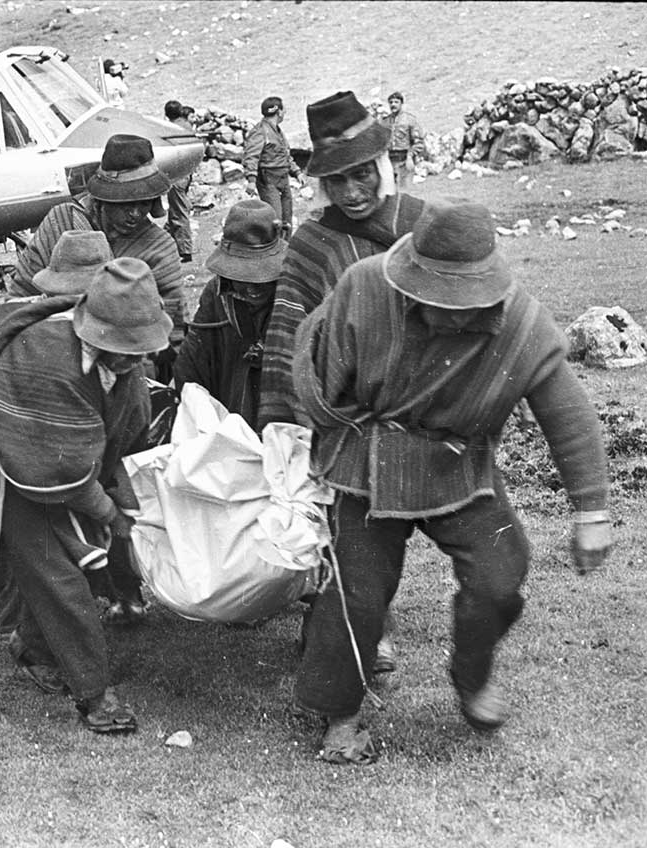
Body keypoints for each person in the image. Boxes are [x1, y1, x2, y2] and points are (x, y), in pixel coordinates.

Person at [290, 200, 613, 764]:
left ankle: (472, 675)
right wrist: (316, 463)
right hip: (369, 459)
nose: (452, 316)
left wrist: (592, 511)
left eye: (465, 305)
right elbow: (319, 379)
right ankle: (340, 712)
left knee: (499, 574)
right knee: (356, 592)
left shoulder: (520, 320)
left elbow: (569, 414)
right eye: (436, 301)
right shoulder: (364, 287)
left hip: (458, 464)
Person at [0, 257, 171, 733]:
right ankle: (94, 694)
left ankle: (33, 649)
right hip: (18, 470)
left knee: (71, 566)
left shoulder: (124, 367)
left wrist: (130, 496)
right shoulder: (46, 361)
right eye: (124, 350)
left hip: (69, 468)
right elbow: (62, 470)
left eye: (139, 350)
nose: (134, 360)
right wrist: (112, 513)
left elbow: (125, 436)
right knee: (61, 578)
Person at [258, 90, 427, 673]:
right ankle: (355, 635)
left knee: (389, 524)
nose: (353, 192)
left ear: (383, 165)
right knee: (348, 526)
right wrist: (284, 417)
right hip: (339, 411)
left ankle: (354, 625)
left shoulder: (420, 226)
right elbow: (288, 327)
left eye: (362, 175)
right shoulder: (313, 243)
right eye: (338, 181)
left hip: (411, 407)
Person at [6, 134, 186, 371]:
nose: (135, 214)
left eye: (143, 203)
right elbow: (20, 297)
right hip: (50, 354)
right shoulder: (62, 222)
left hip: (126, 363)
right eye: (125, 203)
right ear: (103, 198)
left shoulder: (159, 247)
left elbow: (172, 328)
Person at [173, 199, 285, 430]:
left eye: (262, 277)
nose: (253, 288)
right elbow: (191, 362)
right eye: (245, 277)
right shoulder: (216, 294)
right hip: (231, 410)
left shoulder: (293, 293)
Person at [242, 96, 301, 237]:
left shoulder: (278, 132)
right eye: (283, 109)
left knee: (287, 219)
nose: (285, 112)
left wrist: (297, 172)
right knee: (275, 220)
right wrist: (251, 180)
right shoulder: (260, 131)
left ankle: (285, 246)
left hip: (283, 180)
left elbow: (285, 155)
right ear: (278, 112)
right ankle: (274, 247)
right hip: (268, 181)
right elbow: (251, 156)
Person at [162, 100, 194, 262]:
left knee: (179, 212)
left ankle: (185, 250)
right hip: (187, 172)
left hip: (177, 175)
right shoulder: (187, 125)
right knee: (176, 209)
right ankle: (166, 241)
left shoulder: (169, 128)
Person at [382, 91, 426, 187]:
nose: (393, 104)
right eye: (391, 102)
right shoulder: (385, 122)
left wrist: (410, 156)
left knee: (404, 190)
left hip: (404, 160)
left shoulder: (410, 120)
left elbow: (419, 142)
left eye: (396, 102)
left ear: (401, 104)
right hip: (389, 161)